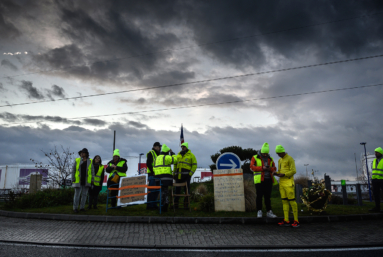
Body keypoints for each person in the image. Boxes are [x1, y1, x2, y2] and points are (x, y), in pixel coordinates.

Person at [274, 145, 299, 228]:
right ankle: (286, 220)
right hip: (282, 183)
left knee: (292, 201)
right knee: (284, 201)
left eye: (279, 153)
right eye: (277, 153)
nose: (278, 155)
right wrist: (276, 173)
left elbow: (293, 171)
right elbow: (280, 171)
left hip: (288, 183)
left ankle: (296, 220)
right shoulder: (279, 160)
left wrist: (284, 174)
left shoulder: (290, 158)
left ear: (282, 152)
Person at [250, 142, 278, 218]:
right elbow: (252, 167)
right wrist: (262, 168)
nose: (265, 155)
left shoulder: (270, 159)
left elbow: (274, 168)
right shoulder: (255, 157)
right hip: (259, 180)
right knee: (259, 196)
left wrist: (270, 169)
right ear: (261, 151)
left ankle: (269, 211)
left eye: (266, 153)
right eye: (264, 153)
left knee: (267, 197)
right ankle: (259, 211)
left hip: (268, 180)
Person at [153, 144, 177, 212]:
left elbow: (154, 167)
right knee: (165, 191)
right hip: (165, 177)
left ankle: (163, 204)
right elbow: (175, 160)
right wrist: (172, 153)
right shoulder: (166, 157)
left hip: (157, 177)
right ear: (167, 152)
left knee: (162, 191)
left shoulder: (156, 158)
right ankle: (164, 204)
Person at [174, 142, 197, 209]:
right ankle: (175, 205)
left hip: (186, 177)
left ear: (186, 147)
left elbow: (194, 165)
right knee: (177, 191)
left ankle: (186, 205)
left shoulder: (191, 155)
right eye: (182, 147)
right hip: (178, 177)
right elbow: (175, 165)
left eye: (184, 146)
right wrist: (174, 174)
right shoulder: (178, 155)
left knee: (186, 192)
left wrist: (190, 174)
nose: (182, 148)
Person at [72, 148, 94, 213]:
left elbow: (92, 171)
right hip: (78, 180)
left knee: (84, 195)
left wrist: (92, 179)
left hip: (86, 180)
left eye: (83, 152)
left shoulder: (90, 161)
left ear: (86, 154)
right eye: (81, 153)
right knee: (77, 195)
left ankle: (82, 207)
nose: (82, 153)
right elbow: (73, 170)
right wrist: (73, 178)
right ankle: (75, 208)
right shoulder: (77, 160)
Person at [146, 142, 161, 210]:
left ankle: (154, 204)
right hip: (152, 174)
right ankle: (149, 205)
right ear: (154, 147)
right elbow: (148, 163)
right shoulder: (151, 153)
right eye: (158, 147)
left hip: (157, 174)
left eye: (159, 147)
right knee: (151, 190)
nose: (159, 148)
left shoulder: (158, 154)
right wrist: (153, 171)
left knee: (156, 190)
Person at [370, 147, 383, 213]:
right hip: (375, 179)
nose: (375, 153)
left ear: (380, 153)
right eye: (375, 152)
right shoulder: (374, 161)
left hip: (381, 179)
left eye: (377, 152)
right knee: (376, 194)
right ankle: (377, 207)